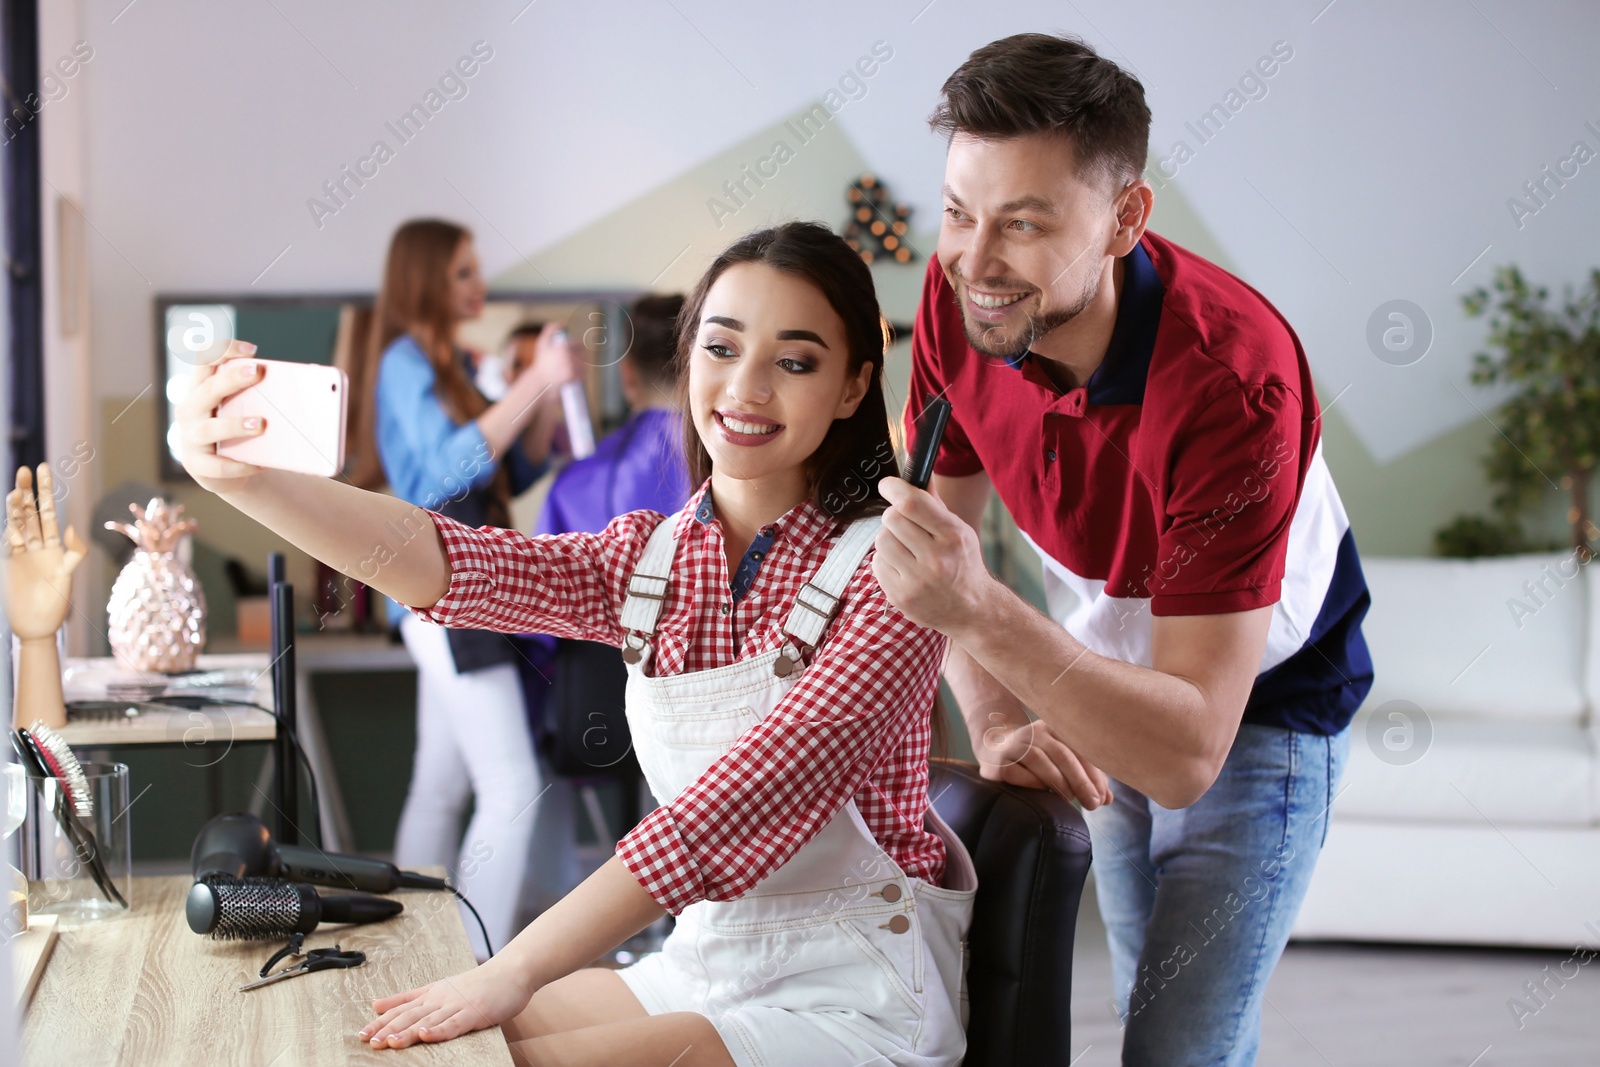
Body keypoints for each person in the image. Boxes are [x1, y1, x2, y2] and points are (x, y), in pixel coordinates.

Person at [176, 220, 976, 1066]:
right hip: (705, 964)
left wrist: (508, 969)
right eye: (721, 348)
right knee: (422, 1052)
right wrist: (246, 480)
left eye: (795, 361)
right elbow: (450, 563)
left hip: (855, 999)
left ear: (854, 386)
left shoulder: (893, 578)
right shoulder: (650, 557)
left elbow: (725, 816)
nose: (745, 388)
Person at [871, 34, 1373, 1067]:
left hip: (1259, 705)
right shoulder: (963, 294)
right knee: (1148, 986)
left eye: (1023, 222)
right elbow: (935, 542)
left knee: (1178, 1043)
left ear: (1124, 219)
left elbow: (1188, 750)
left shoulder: (1236, 383)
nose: (974, 256)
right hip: (1101, 663)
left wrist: (976, 613)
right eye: (960, 212)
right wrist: (1001, 715)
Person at [358, 218, 581, 960]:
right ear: (424, 278)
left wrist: (543, 399)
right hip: (444, 591)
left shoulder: (453, 364)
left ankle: (407, 947)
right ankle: (479, 962)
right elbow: (448, 473)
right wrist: (532, 382)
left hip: (462, 586)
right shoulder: (400, 363)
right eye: (463, 273)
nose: (478, 286)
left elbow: (507, 474)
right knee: (513, 784)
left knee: (441, 786)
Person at [512, 292, 693, 919]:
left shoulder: (579, 479)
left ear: (630, 374)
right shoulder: (732, 474)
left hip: (599, 718)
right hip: (710, 722)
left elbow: (536, 613)